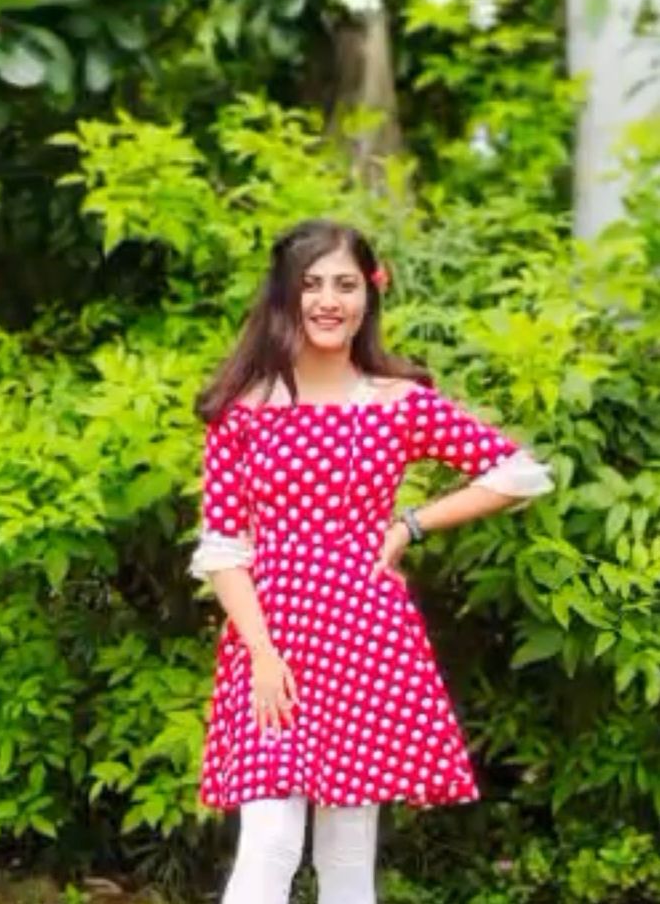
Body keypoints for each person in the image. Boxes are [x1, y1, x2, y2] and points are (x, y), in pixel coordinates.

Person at [188, 219, 553, 904]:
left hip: (364, 635)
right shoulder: (244, 411)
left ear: (368, 295)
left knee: (348, 854)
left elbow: (519, 473)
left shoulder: (395, 404)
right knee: (269, 843)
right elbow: (224, 549)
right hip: (272, 644)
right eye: (312, 284)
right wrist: (261, 653)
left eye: (345, 284)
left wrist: (411, 525)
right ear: (284, 298)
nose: (329, 300)